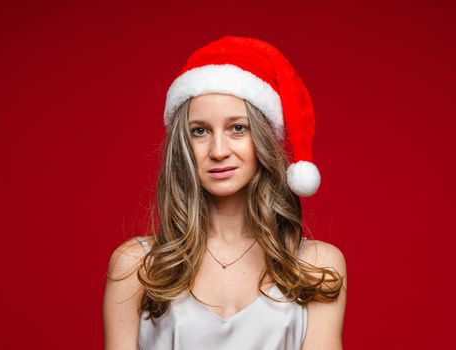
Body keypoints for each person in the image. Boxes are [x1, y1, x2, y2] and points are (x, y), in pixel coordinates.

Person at [103, 35, 347, 350]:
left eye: (237, 128)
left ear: (262, 138)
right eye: (200, 131)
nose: (218, 151)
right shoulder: (136, 265)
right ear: (183, 145)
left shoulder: (317, 266)